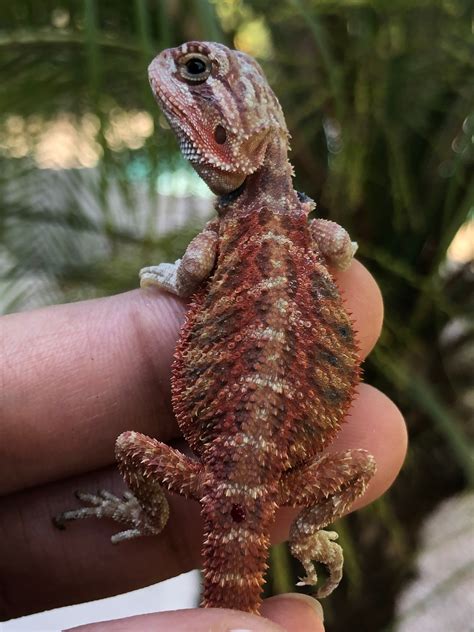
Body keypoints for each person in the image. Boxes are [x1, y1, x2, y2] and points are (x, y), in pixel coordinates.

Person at [0, 260, 407, 631]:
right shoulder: (309, 245)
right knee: (362, 464)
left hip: (225, 474)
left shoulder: (238, 244)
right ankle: (296, 532)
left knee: (130, 446)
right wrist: (306, 527)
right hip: (267, 481)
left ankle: (152, 517)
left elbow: (129, 445)